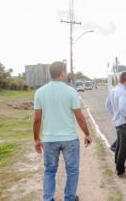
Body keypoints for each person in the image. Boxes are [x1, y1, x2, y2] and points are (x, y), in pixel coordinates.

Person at [33, 61, 92, 201]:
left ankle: (48, 199)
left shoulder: (40, 92)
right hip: (70, 139)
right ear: (62, 73)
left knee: (49, 171)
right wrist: (87, 134)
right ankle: (70, 198)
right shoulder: (70, 91)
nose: (66, 74)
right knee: (72, 171)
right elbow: (79, 117)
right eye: (65, 71)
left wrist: (36, 139)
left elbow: (37, 119)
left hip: (49, 139)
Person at [105, 72, 126, 178]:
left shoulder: (113, 90)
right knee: (124, 147)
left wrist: (115, 114)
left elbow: (107, 105)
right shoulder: (124, 92)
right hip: (125, 123)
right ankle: (120, 171)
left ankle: (118, 164)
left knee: (119, 145)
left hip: (118, 122)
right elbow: (122, 107)